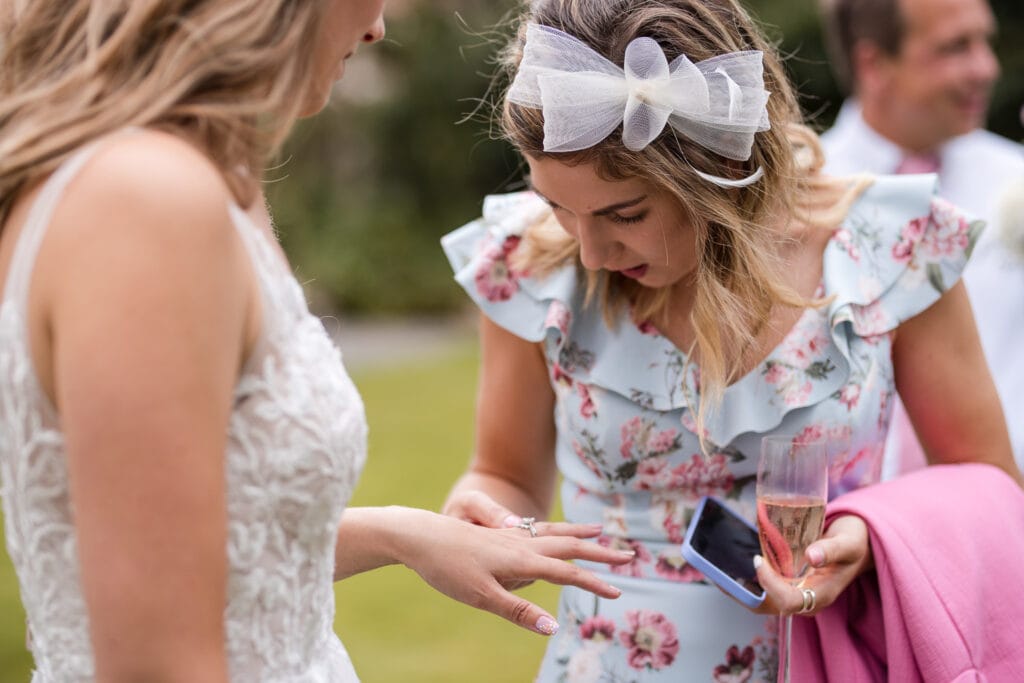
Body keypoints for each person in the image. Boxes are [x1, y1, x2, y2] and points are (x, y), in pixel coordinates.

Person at [0, 2, 636, 681]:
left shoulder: (187, 175)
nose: (378, 26)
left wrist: (402, 532)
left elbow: (191, 544)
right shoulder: (144, 202)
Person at [439, 0, 1022, 680]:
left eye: (624, 213)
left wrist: (868, 533)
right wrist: (477, 517)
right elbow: (504, 473)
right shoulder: (533, 264)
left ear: (719, 171)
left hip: (829, 660)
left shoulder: (893, 247)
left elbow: (988, 484)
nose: (591, 252)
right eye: (559, 206)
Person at [818, 0, 1024, 474]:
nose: (986, 67)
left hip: (1006, 506)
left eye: (984, 41)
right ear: (874, 63)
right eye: (956, 47)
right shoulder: (803, 199)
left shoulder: (1015, 180)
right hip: (850, 526)